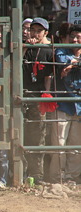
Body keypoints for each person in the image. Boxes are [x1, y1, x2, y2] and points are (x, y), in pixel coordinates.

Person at [49, 25, 81, 184]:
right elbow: (61, 60)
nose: (75, 40)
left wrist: (73, 64)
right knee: (59, 142)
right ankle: (57, 176)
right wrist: (74, 62)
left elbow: (68, 64)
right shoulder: (61, 51)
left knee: (76, 143)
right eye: (72, 37)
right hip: (63, 103)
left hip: (79, 106)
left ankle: (72, 176)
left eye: (78, 37)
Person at [22, 17, 53, 184]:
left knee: (39, 136)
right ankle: (21, 172)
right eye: (32, 30)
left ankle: (37, 174)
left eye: (38, 31)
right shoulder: (24, 47)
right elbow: (15, 62)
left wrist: (46, 94)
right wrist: (26, 45)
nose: (34, 33)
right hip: (23, 95)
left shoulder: (48, 50)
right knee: (21, 134)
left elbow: (48, 76)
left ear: (45, 33)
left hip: (38, 96)